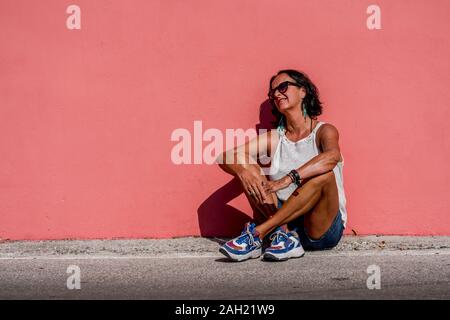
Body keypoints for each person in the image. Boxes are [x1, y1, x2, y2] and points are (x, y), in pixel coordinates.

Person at [217, 69, 347, 262]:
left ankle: (258, 233)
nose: (277, 94)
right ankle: (282, 236)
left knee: (324, 175)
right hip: (284, 226)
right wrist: (241, 171)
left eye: (283, 87)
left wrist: (288, 179)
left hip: (320, 228)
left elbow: (332, 156)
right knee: (247, 166)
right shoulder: (275, 138)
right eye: (273, 92)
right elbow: (225, 156)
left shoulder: (323, 131)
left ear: (303, 91)